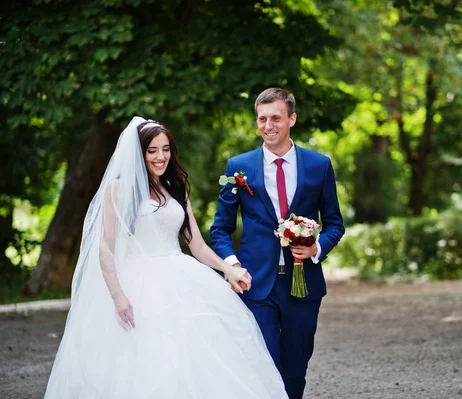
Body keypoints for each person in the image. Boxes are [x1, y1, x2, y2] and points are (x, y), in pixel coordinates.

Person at [44, 117, 287, 398]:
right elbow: (106, 248)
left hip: (181, 276)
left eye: (166, 149)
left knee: (199, 356)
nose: (161, 157)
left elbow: (196, 244)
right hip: (137, 282)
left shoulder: (176, 187)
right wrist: (118, 295)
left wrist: (227, 269)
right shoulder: (117, 189)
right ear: (140, 153)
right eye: (152, 150)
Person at [211, 88, 345, 399]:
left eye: (276, 118)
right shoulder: (238, 167)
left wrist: (316, 248)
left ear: (292, 119)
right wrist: (233, 267)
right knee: (264, 367)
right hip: (256, 284)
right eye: (262, 119)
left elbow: (335, 223)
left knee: (295, 371)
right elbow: (220, 229)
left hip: (304, 284)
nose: (268, 125)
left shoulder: (318, 165)